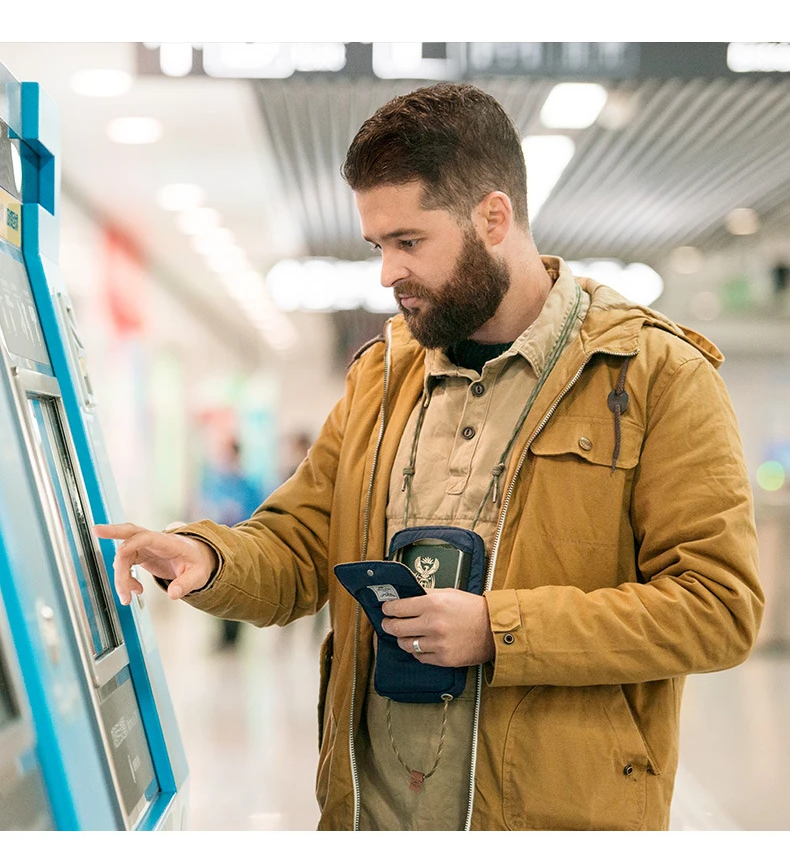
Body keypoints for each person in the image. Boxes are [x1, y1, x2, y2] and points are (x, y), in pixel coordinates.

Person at [96, 83, 764, 832]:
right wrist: (206, 556)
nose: (386, 273)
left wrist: (497, 627)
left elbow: (719, 607)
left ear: (493, 217)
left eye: (408, 242)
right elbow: (300, 544)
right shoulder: (383, 377)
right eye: (378, 245)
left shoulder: (655, 376)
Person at [197, 438, 260, 649]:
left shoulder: (248, 485)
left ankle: (234, 639)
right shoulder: (216, 482)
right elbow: (206, 508)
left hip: (239, 542)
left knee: (238, 590)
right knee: (215, 588)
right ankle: (222, 637)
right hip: (216, 543)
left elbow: (257, 513)